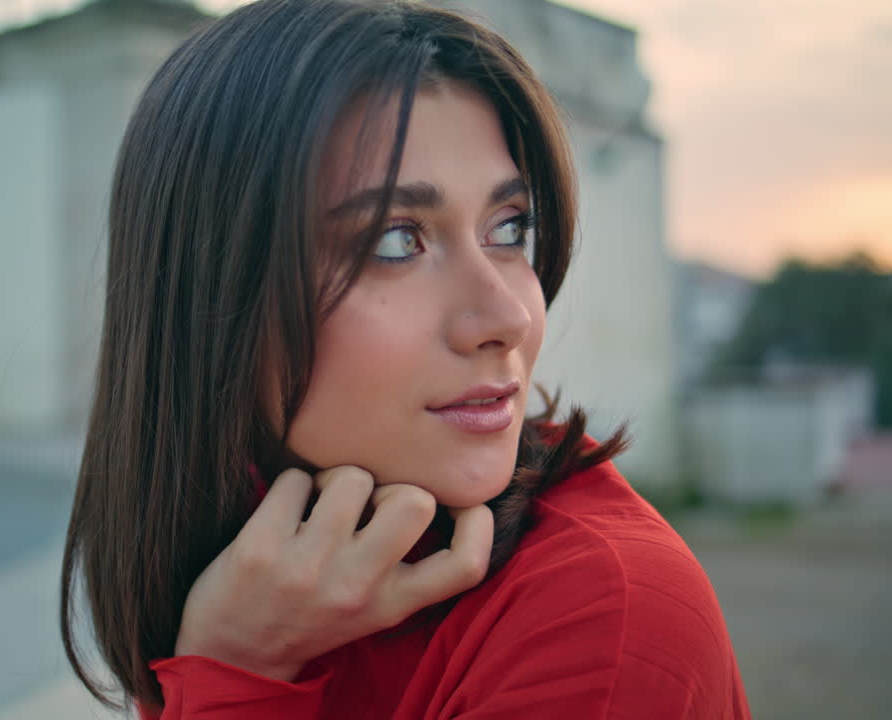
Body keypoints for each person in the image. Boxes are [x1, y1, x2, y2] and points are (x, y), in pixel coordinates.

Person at [60, 1, 751, 717]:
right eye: (394, 241)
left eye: (509, 228)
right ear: (212, 290)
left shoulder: (601, 617)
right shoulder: (250, 553)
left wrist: (234, 671)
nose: (508, 318)